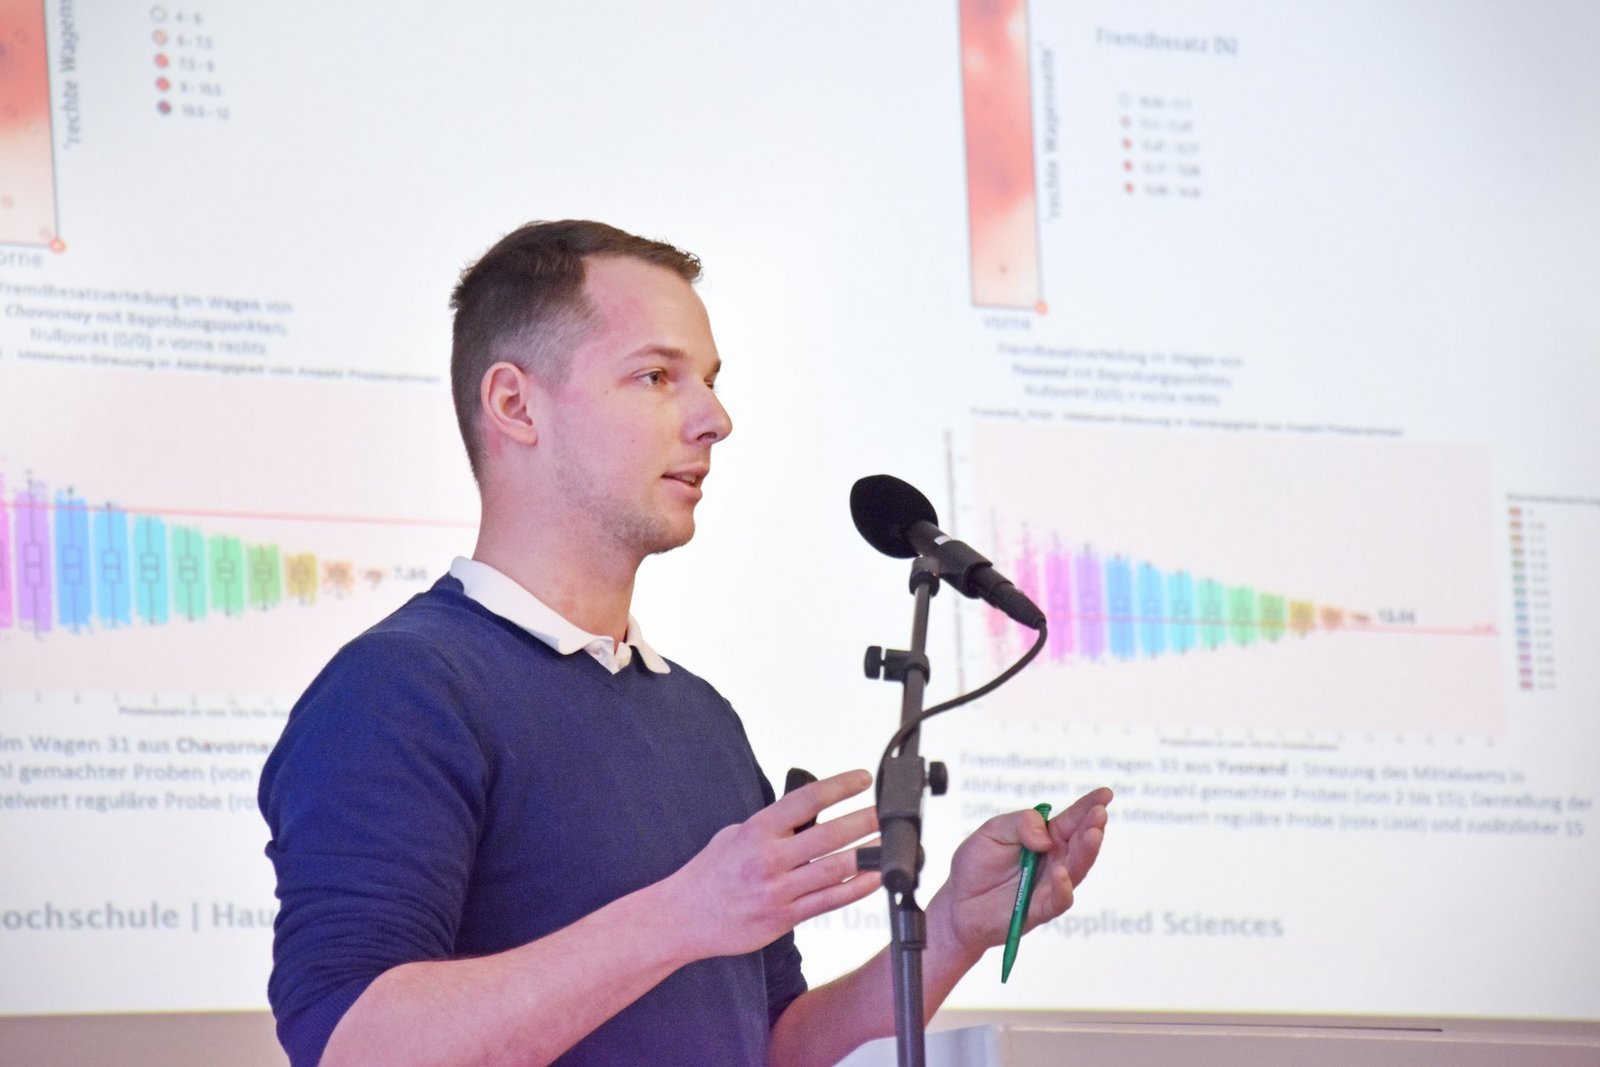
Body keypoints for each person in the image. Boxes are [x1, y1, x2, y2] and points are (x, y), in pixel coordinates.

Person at [258, 220, 1112, 1066]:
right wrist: (681, 916)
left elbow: (771, 1046)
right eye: (657, 376)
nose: (715, 419)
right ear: (516, 404)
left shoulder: (699, 718)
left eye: (709, 380)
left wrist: (954, 929)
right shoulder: (399, 690)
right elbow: (353, 1044)